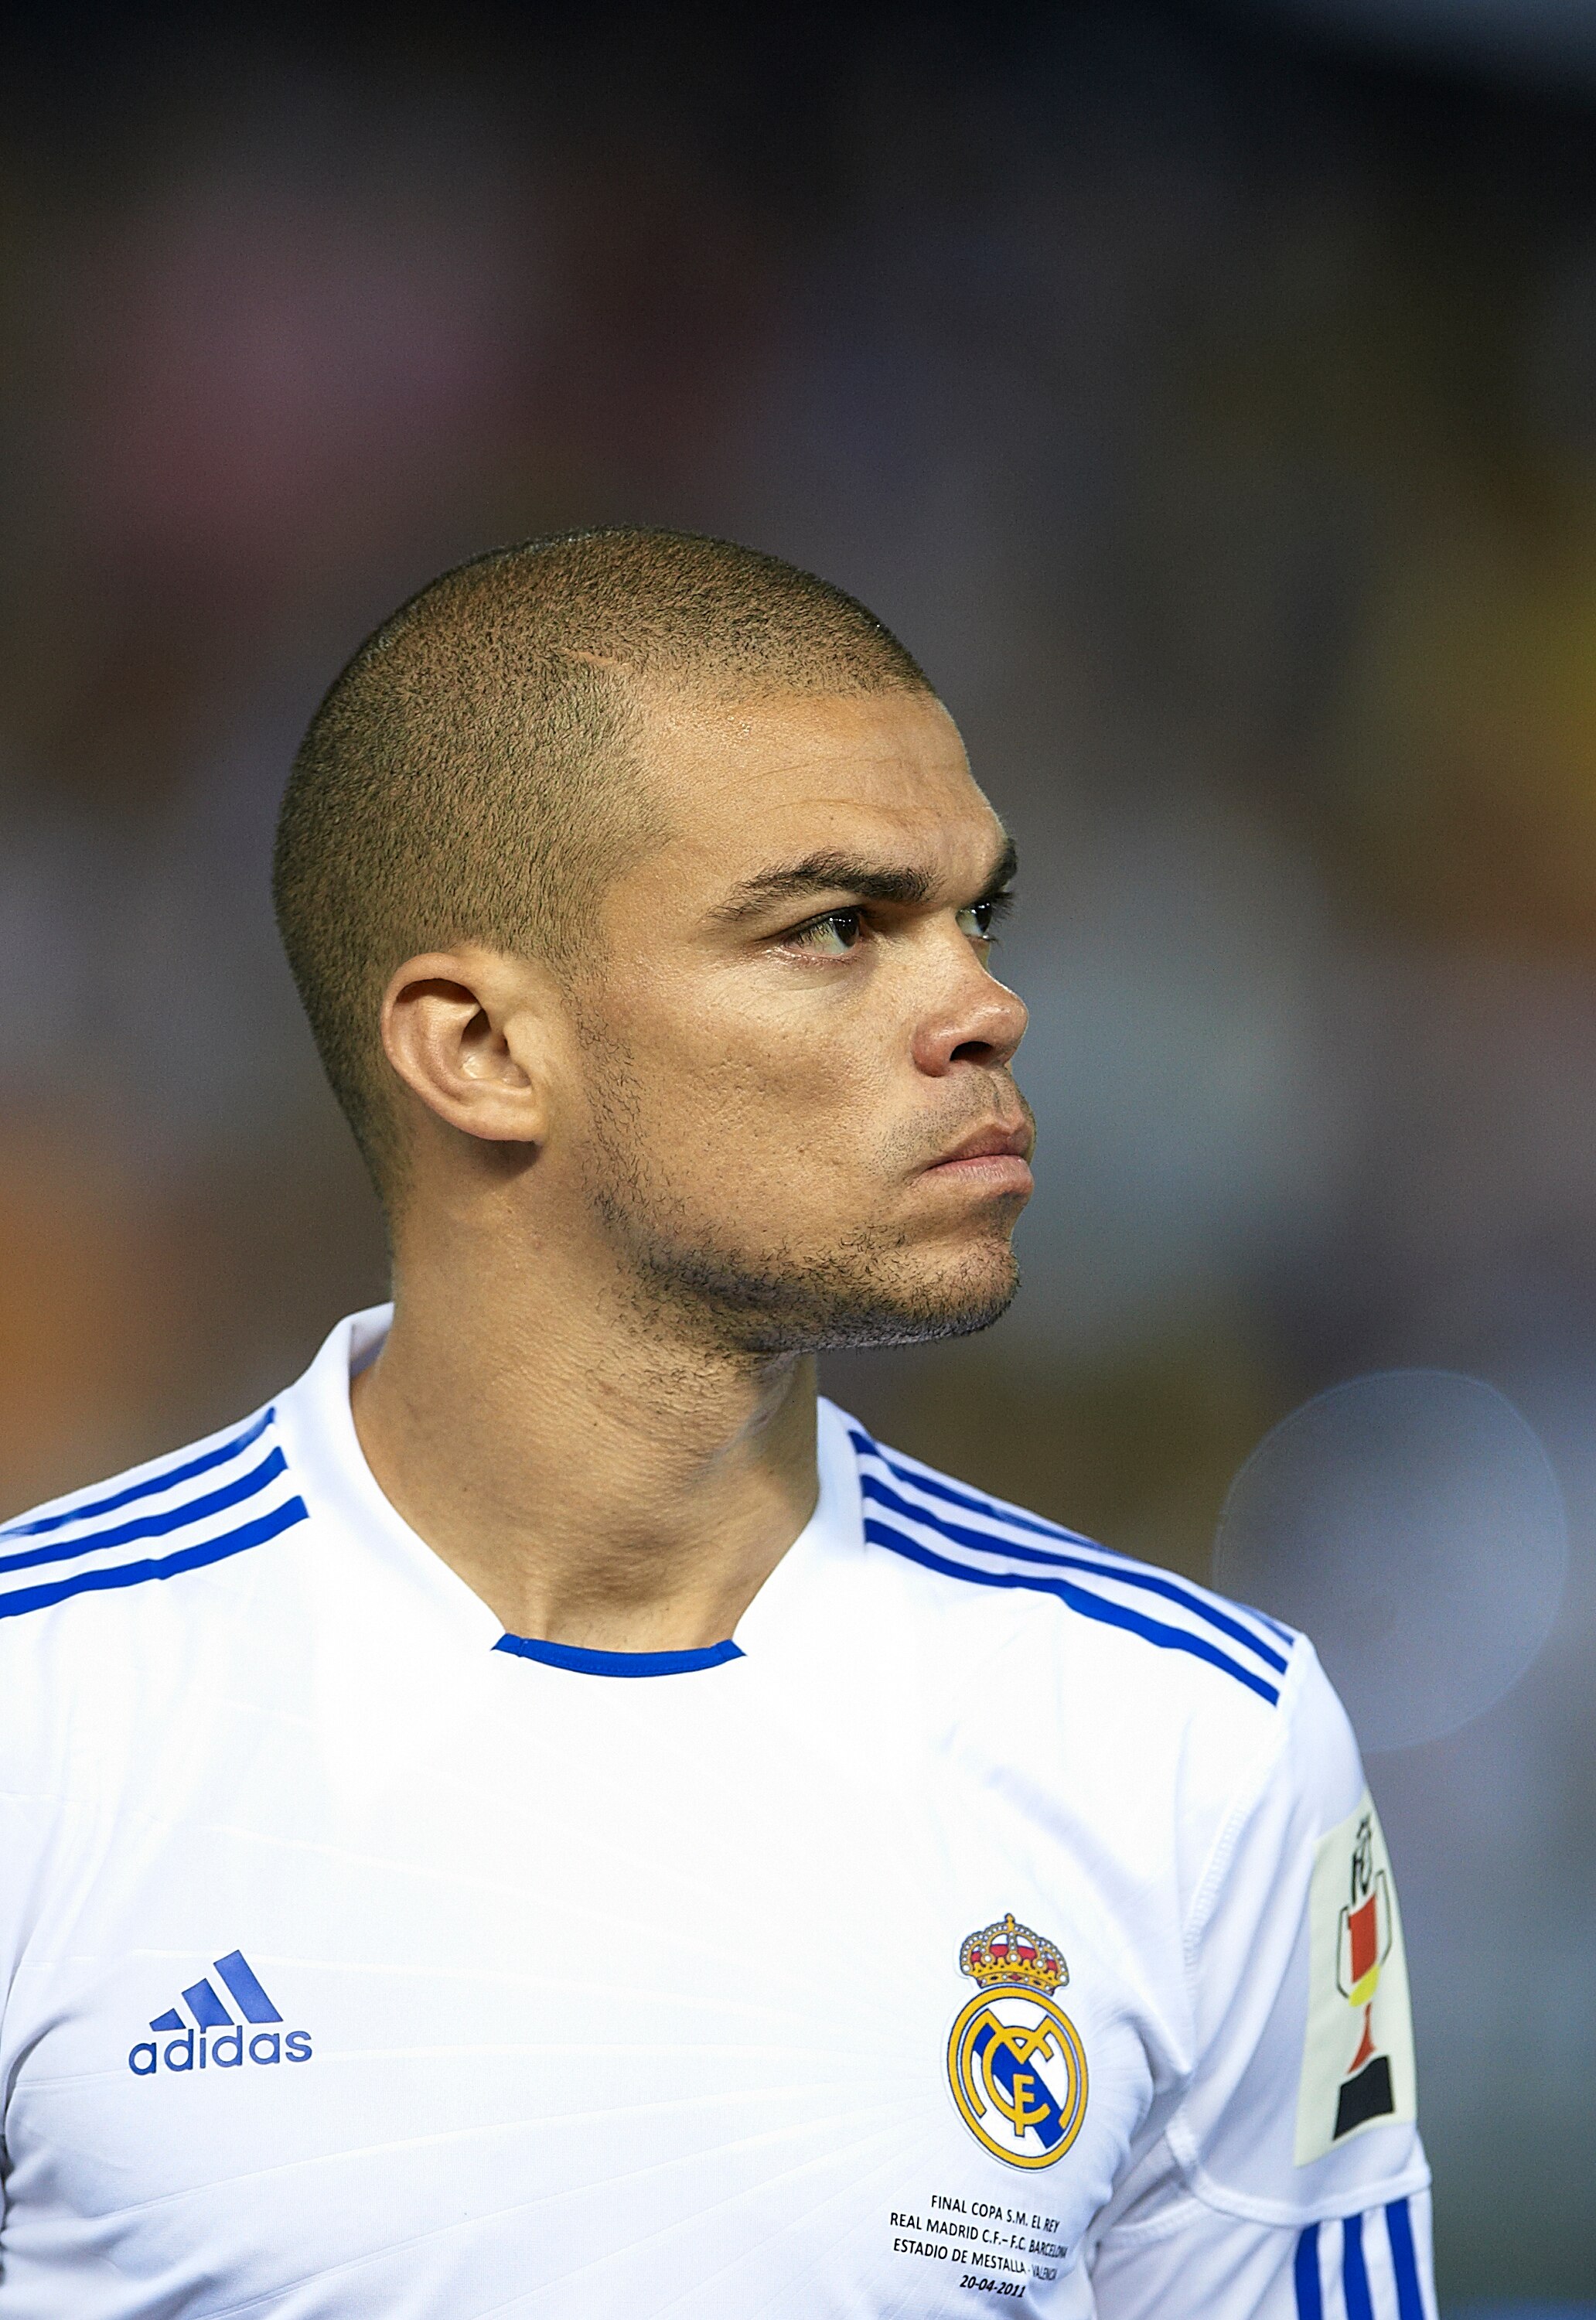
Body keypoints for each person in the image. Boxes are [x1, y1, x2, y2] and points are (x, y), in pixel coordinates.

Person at [0, 531, 1433, 2318]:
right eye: (837, 928)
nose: (986, 1005)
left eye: (975, 913)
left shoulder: (1197, 1747)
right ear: (481, 1051)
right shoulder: (40, 1719)